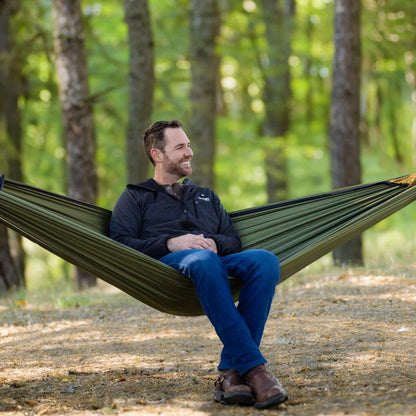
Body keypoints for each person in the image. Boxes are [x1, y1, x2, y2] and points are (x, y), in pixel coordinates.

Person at [109, 120, 288, 409]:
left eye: (189, 145)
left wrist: (216, 243)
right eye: (180, 147)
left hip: (214, 261)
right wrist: (170, 243)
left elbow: (233, 240)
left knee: (265, 261)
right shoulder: (135, 197)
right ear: (157, 155)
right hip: (169, 267)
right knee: (203, 260)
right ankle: (256, 371)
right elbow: (120, 244)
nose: (189, 152)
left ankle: (232, 374)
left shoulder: (205, 196)